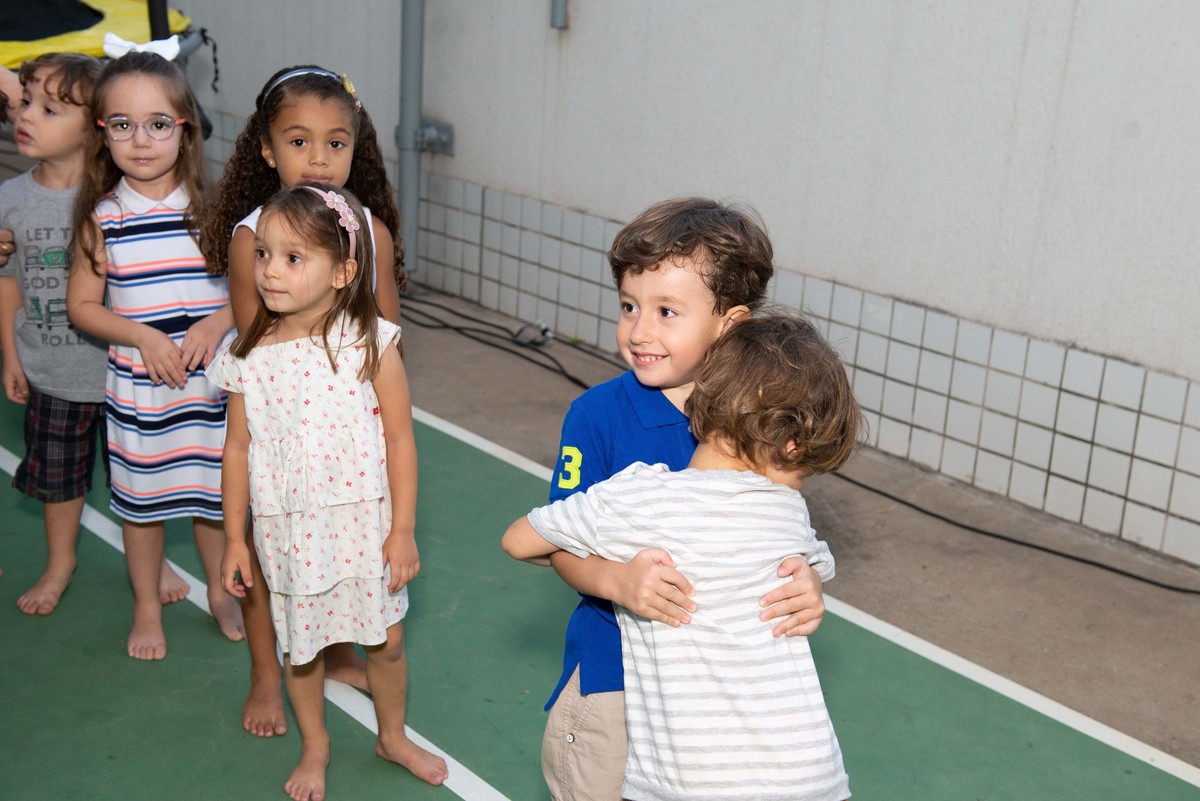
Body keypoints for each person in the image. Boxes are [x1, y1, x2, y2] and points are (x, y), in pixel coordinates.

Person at [534, 197, 830, 800]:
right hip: (615, 682)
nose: (640, 331)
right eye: (629, 306)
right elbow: (555, 544)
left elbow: (780, 534)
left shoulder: (761, 419)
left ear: (731, 323)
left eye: (667, 311)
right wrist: (618, 582)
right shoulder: (597, 416)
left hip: (719, 705)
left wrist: (806, 585)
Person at [505, 311, 861, 801]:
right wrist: (812, 581)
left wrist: (612, 573)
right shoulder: (786, 509)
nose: (797, 486)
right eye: (805, 470)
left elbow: (519, 540)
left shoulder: (640, 496)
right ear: (792, 444)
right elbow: (817, 562)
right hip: (809, 776)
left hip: (691, 778)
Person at [209, 185, 448, 801]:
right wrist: (234, 539)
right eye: (264, 254)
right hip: (289, 533)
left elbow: (400, 439)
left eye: (293, 258)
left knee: (386, 642)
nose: (270, 271)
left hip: (364, 529)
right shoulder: (248, 355)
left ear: (343, 272)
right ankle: (315, 747)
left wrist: (403, 531)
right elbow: (237, 450)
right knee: (303, 650)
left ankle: (392, 736)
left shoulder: (371, 342)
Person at [197, 64, 405, 737]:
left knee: (345, 556)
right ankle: (267, 671)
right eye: (298, 141)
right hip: (283, 430)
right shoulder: (252, 235)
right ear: (267, 149)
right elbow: (255, 339)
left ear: (355, 147)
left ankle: (339, 651)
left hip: (346, 428)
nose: (319, 157)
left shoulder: (369, 230)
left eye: (335, 143)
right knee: (268, 565)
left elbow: (385, 328)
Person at [65, 51, 241, 659]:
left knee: (216, 501)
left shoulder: (216, 211)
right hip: (142, 394)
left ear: (186, 129)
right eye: (123, 124)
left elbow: (255, 295)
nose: (141, 140)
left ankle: (221, 591)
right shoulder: (103, 219)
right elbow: (82, 306)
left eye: (158, 123)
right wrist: (142, 335)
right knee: (143, 509)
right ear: (102, 133)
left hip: (213, 393)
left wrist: (218, 320)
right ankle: (146, 603)